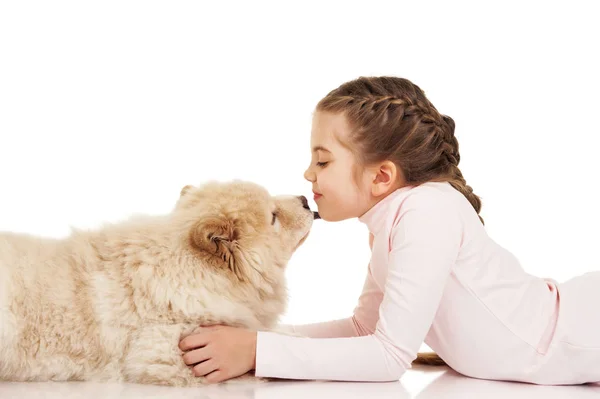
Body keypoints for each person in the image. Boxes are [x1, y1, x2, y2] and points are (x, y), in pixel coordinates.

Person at [177, 76, 600, 386]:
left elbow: (387, 357)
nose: (308, 174)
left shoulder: (427, 213)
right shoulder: (394, 221)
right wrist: (260, 338)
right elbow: (366, 330)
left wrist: (257, 351)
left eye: (323, 161)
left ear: (381, 177)